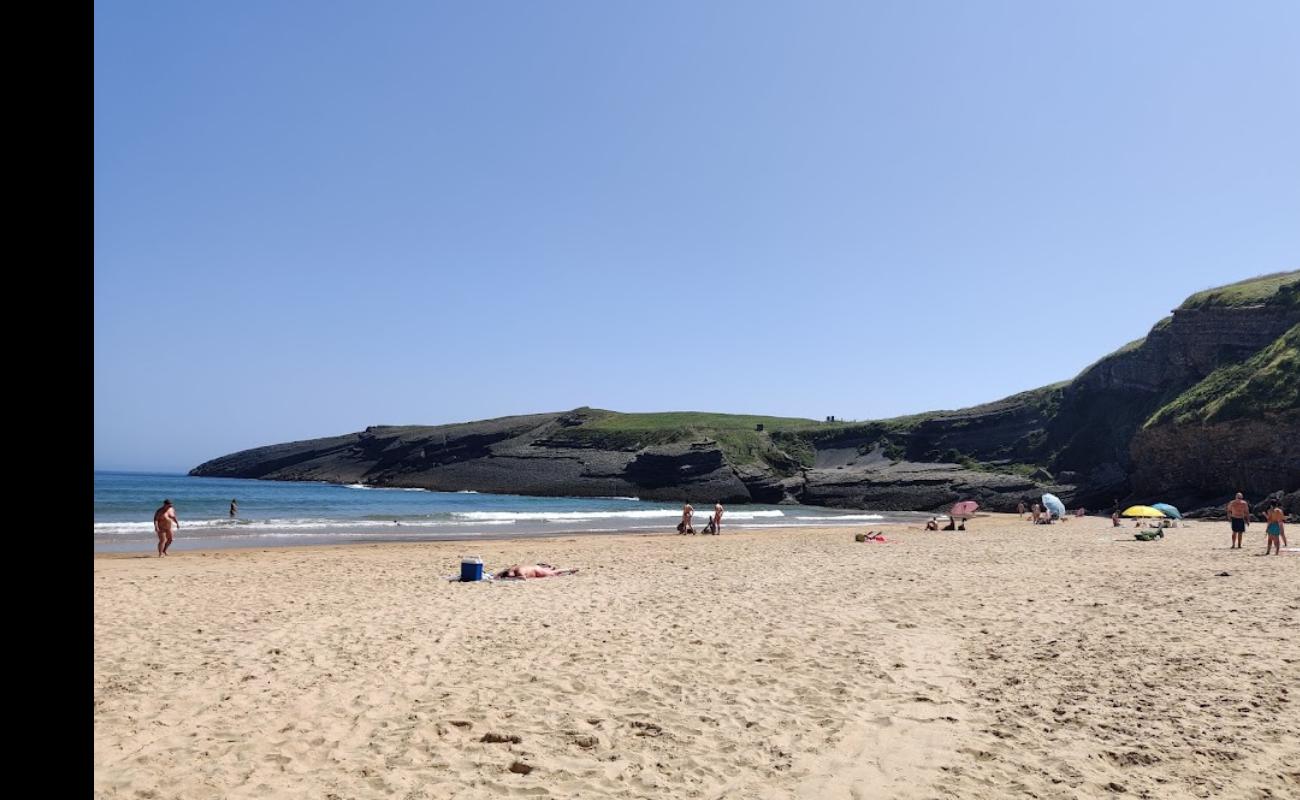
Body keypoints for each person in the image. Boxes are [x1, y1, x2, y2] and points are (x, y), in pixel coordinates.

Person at [496, 563, 578, 579]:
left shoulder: (518, 571)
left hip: (536, 571)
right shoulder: (511, 569)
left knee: (553, 573)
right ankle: (569, 570)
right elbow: (502, 573)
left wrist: (509, 578)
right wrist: (497, 576)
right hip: (534, 568)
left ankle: (570, 570)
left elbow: (523, 578)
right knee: (553, 572)